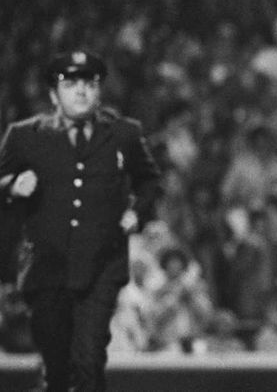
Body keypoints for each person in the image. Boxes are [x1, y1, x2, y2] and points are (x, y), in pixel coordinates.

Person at [0, 50, 162, 391]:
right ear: (53, 93)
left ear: (99, 90)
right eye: (70, 83)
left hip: (102, 265)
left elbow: (149, 180)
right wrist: (12, 185)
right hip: (46, 267)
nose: (81, 91)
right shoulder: (25, 135)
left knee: (89, 359)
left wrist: (138, 212)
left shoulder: (124, 133)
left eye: (89, 83)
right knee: (57, 367)